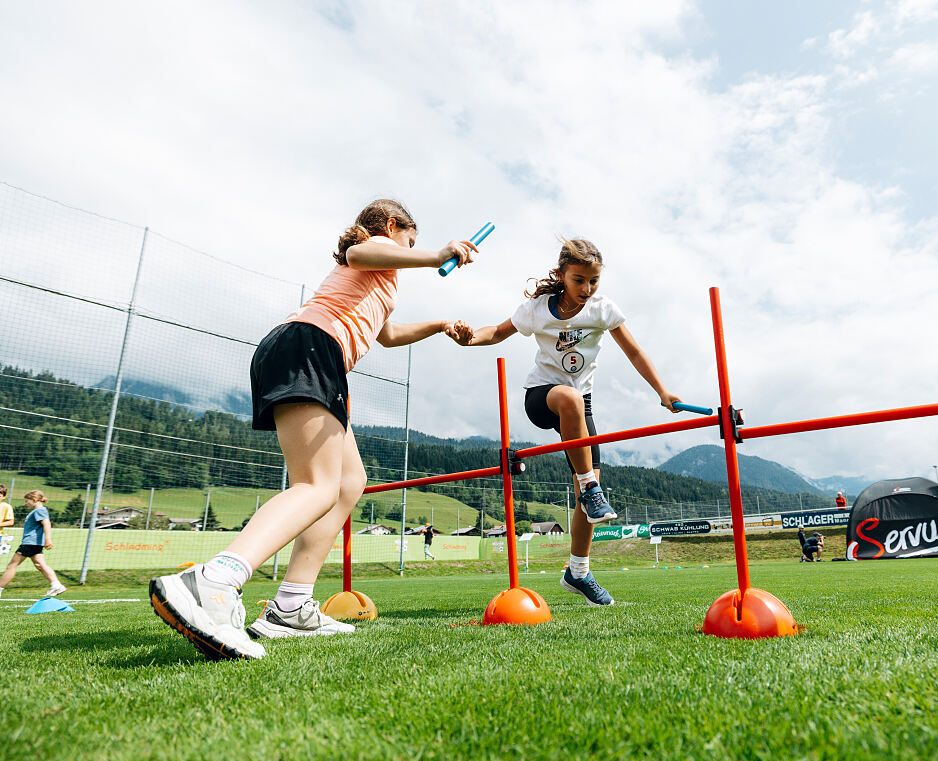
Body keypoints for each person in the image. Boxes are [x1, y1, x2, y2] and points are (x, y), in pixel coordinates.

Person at [149, 198, 477, 661]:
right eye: (410, 240)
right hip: (309, 347)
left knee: (348, 482)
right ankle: (215, 580)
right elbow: (365, 254)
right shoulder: (370, 251)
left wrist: (440, 325)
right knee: (317, 485)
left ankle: (290, 606)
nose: (410, 249)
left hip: (311, 354)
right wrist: (436, 256)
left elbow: (388, 334)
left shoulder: (379, 282)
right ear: (390, 227)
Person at [453, 237, 682, 606]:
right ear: (561, 275)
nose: (586, 289)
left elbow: (634, 351)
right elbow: (495, 332)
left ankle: (578, 572)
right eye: (579, 280)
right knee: (571, 404)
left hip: (581, 407)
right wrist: (468, 339)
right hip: (544, 397)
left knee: (586, 491)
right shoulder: (536, 309)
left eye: (593, 281)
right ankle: (590, 487)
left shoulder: (602, 309)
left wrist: (663, 391)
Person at [0, 491, 66, 599]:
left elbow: (47, 524)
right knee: (40, 565)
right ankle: (56, 585)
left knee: (12, 566)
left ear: (34, 500)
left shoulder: (39, 510)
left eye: (27, 501)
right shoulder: (37, 511)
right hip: (34, 543)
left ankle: (0, 589)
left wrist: (48, 539)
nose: (26, 504)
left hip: (30, 542)